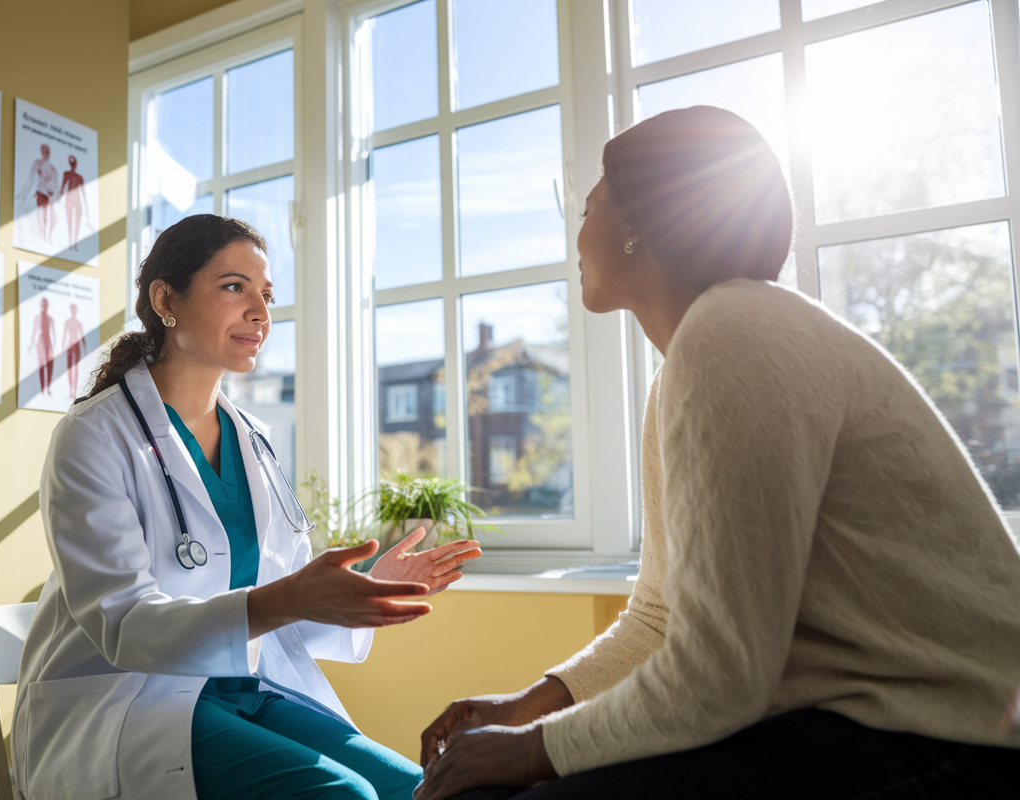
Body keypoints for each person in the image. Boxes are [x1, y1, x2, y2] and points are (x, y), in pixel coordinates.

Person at [415, 106, 1020, 800]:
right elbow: (660, 618)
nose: (577, 234)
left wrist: (531, 750)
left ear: (640, 224)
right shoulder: (689, 365)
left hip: (965, 741)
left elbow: (720, 674)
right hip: (864, 725)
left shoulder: (736, 330)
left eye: (588, 208)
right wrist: (529, 706)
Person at [13, 213, 482, 800]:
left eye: (266, 294)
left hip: (247, 690)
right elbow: (125, 625)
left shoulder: (254, 439)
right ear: (165, 299)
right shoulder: (94, 435)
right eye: (234, 287)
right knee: (348, 797)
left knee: (423, 789)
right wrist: (291, 596)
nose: (260, 313)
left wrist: (363, 590)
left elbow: (282, 600)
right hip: (132, 702)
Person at [17, 144, 59, 242]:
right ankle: (40, 236)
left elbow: (54, 188)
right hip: (39, 194)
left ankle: (45, 237)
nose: (45, 153)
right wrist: (23, 194)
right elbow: (30, 178)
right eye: (43, 151)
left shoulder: (53, 170)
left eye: (47, 151)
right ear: (41, 152)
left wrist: (51, 191)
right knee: (39, 215)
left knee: (50, 218)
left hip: (48, 197)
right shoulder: (37, 163)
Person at [59, 154, 88, 253]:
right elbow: (62, 187)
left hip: (76, 198)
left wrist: (86, 207)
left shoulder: (79, 177)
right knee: (69, 219)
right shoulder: (66, 174)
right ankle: (70, 242)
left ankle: (75, 242)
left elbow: (83, 192)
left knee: (77, 218)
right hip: (69, 197)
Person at [29, 296, 56, 396]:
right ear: (41, 305)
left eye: (46, 304)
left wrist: (55, 346)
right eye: (43, 304)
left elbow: (53, 334)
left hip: (48, 341)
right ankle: (42, 389)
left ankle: (48, 387)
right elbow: (34, 331)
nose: (44, 306)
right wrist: (31, 344)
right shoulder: (37, 318)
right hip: (40, 342)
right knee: (41, 365)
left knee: (49, 364)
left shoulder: (50, 319)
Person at [61, 303, 85, 399]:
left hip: (76, 346)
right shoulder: (67, 322)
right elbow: (64, 334)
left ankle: (74, 392)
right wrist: (63, 345)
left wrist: (85, 347)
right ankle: (71, 391)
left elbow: (82, 336)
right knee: (70, 369)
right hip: (70, 346)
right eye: (72, 309)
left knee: (75, 369)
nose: (73, 311)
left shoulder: (79, 323)